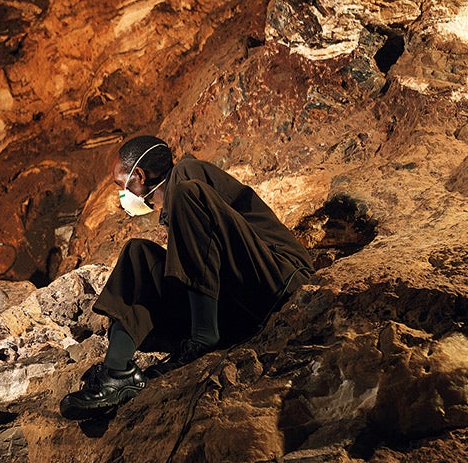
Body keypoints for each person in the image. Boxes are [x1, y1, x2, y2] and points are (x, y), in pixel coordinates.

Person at [60, 135, 313, 419]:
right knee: (137, 253)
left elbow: (215, 236)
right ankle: (117, 372)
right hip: (238, 305)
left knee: (186, 195)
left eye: (122, 186)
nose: (122, 197)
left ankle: (202, 337)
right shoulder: (181, 205)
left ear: (139, 176)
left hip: (277, 279)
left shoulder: (186, 177)